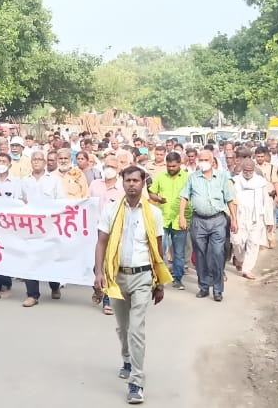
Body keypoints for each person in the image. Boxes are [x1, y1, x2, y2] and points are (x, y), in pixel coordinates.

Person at [93, 166, 169, 405]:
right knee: (123, 327)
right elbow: (102, 242)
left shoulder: (153, 213)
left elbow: (158, 249)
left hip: (143, 277)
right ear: (123, 182)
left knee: (136, 329)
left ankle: (136, 381)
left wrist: (160, 283)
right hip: (117, 276)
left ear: (143, 183)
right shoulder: (112, 209)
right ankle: (126, 358)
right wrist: (98, 273)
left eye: (136, 180)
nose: (132, 184)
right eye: (128, 180)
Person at [179, 150, 236, 302]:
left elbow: (230, 199)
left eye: (206, 159)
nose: (203, 162)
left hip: (218, 220)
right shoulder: (193, 178)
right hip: (199, 221)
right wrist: (182, 216)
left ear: (212, 161)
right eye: (201, 159)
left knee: (217, 253)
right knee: (200, 255)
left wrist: (234, 220)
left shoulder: (222, 177)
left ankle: (217, 289)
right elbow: (184, 197)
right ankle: (203, 286)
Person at [20, 151, 62, 307]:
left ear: (45, 162)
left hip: (49, 226)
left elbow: (61, 202)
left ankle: (55, 286)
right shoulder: (24, 181)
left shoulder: (54, 181)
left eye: (39, 159)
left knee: (51, 258)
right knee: (30, 259)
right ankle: (32, 294)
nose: (36, 162)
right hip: (29, 227)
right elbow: (18, 200)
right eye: (34, 159)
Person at [147, 152, 189, 290]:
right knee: (160, 250)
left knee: (179, 252)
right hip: (162, 219)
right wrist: (158, 198)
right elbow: (151, 192)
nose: (171, 168)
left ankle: (177, 279)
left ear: (179, 164)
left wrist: (186, 216)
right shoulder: (160, 176)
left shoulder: (187, 178)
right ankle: (160, 278)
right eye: (168, 166)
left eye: (173, 166)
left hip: (179, 220)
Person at [0, 152, 23, 298]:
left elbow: (18, 201)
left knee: (7, 252)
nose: (1, 164)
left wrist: (2, 200)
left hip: (9, 223)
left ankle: (6, 284)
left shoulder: (15, 182)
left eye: (4, 161)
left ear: (10, 165)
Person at [232, 160, 274, 280]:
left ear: (254, 169)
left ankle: (247, 269)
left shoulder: (260, 182)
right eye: (245, 170)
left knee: (253, 243)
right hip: (240, 217)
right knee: (237, 241)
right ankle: (239, 259)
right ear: (242, 169)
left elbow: (267, 202)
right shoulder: (235, 181)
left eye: (250, 170)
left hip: (256, 217)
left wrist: (269, 220)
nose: (248, 173)